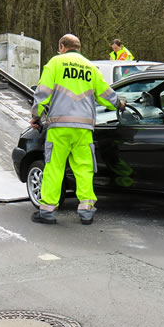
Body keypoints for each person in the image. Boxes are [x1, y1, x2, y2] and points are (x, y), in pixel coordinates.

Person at [30, 34, 126, 225]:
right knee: (84, 168)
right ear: (79, 48)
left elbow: (43, 93)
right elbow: (106, 94)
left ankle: (48, 211)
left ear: (62, 47)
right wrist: (120, 104)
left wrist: (35, 116)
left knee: (54, 168)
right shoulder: (91, 68)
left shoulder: (55, 63)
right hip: (84, 128)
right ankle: (86, 210)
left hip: (60, 127)